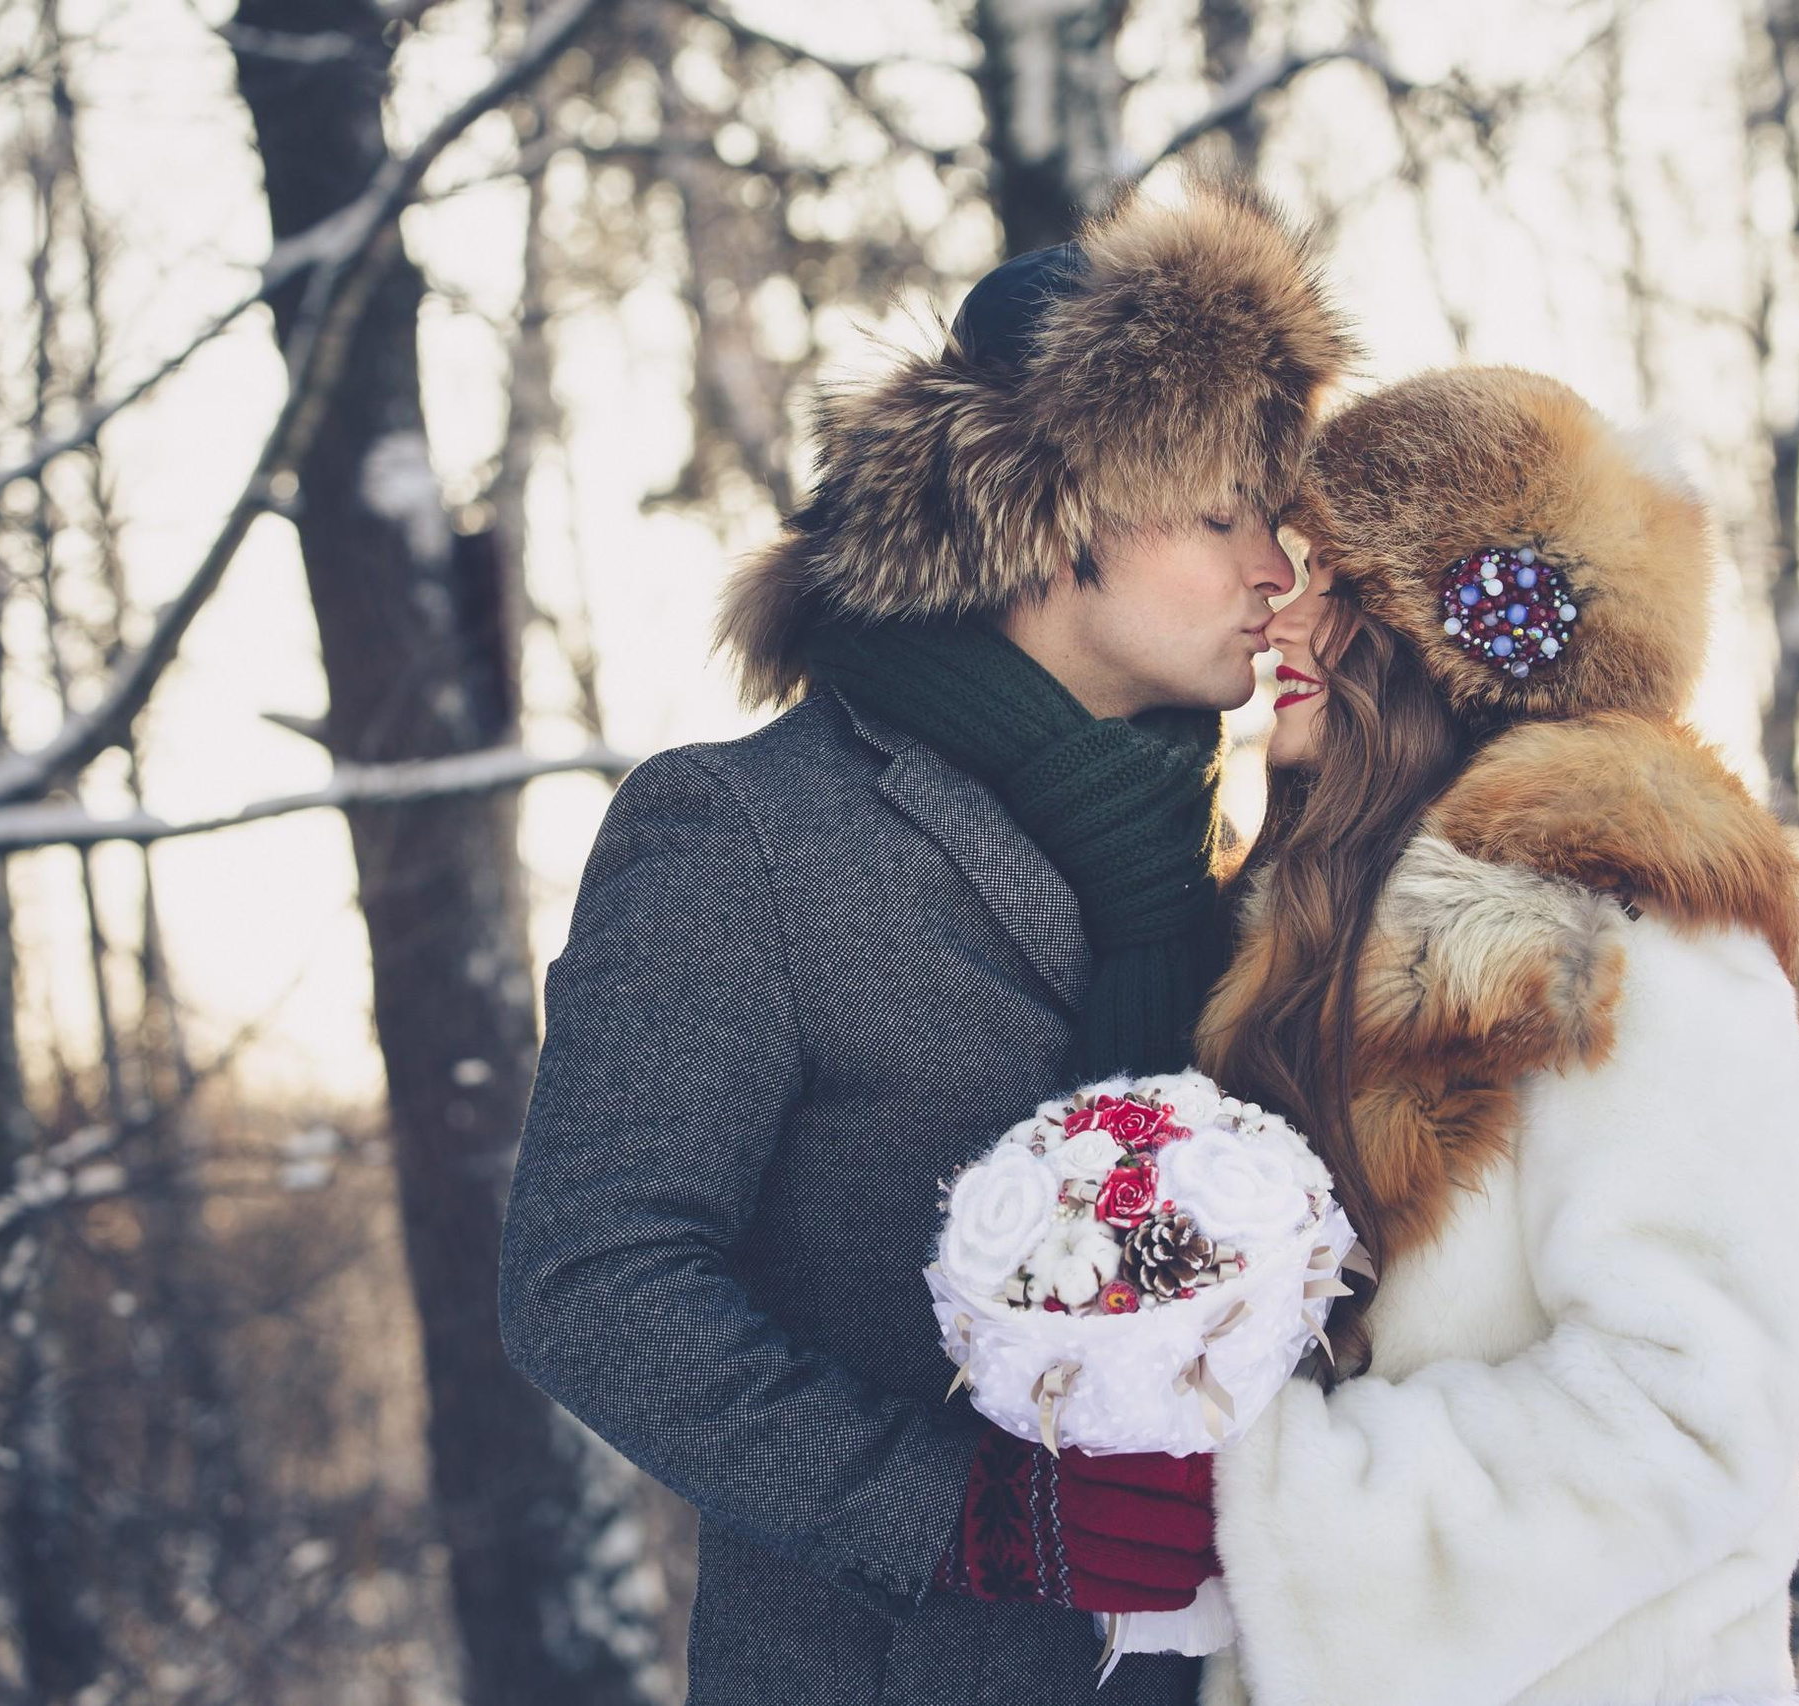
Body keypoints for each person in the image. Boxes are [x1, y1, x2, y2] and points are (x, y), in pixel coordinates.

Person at [498, 176, 1357, 1706]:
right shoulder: (743, 833)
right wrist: (962, 1508)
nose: (1272, 572)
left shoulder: (1214, 866)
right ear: (1059, 520)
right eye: (1225, 513)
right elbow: (592, 1276)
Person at [1194, 367, 1799, 1706]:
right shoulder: (1307, 936)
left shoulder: (1641, 928)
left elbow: (1697, 1400)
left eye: (1335, 580)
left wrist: (1270, 1506)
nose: (1279, 616)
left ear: (1450, 636)